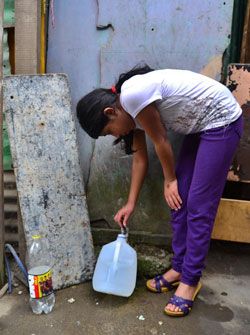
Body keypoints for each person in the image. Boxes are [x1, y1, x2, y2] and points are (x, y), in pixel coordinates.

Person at [76, 65, 243, 317]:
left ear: (110, 112)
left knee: (198, 205)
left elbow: (161, 141)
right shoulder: (130, 113)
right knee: (179, 200)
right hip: (201, 127)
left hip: (221, 121)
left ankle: (191, 280)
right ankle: (179, 268)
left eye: (109, 130)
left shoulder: (132, 96)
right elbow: (141, 159)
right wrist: (130, 204)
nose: (115, 134)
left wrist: (169, 180)